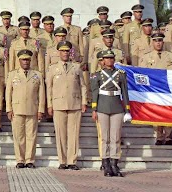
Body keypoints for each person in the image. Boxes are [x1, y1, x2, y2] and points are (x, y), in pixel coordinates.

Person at [46, 41, 88, 170]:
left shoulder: (76, 67)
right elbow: (49, 87)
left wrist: (84, 102)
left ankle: (72, 161)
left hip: (74, 103)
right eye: (62, 51)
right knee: (60, 134)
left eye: (67, 51)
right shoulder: (52, 68)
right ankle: (62, 160)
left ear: (70, 52)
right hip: (58, 104)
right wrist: (49, 104)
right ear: (58, 52)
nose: (65, 53)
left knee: (74, 134)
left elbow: (83, 86)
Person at [91, 49, 130, 177]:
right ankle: (106, 164)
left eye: (111, 58)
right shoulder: (97, 75)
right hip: (102, 107)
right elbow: (95, 92)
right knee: (105, 137)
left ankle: (114, 163)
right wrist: (94, 109)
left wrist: (127, 110)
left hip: (117, 107)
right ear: (102, 61)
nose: (109, 60)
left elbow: (125, 92)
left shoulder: (121, 74)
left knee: (116, 137)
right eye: (107, 58)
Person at [6, 49, 44, 168]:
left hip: (32, 108)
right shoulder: (12, 74)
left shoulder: (37, 74)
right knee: (18, 136)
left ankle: (30, 160)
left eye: (27, 59)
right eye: (23, 59)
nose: (25, 62)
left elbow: (41, 93)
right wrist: (8, 109)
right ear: (19, 60)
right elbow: (8, 93)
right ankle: (20, 160)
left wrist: (40, 109)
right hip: (17, 109)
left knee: (31, 136)